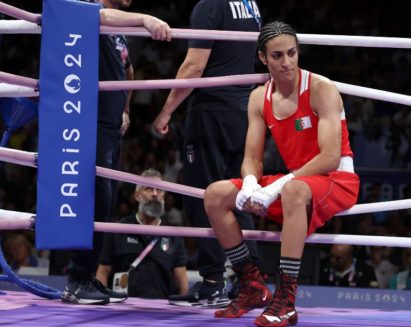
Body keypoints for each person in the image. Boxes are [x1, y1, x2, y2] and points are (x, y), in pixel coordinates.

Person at [203, 21, 360, 326]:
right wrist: (250, 182)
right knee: (215, 194)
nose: (286, 62)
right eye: (277, 56)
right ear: (263, 58)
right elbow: (251, 158)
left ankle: (286, 300)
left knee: (293, 190)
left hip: (336, 179)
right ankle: (252, 286)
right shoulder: (258, 97)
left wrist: (278, 187)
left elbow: (329, 157)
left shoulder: (321, 88)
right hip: (298, 182)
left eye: (291, 53)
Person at [60, 1, 172, 305]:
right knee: (89, 198)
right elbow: (100, 14)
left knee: (104, 202)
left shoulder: (117, 31)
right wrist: (146, 18)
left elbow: (127, 68)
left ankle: (88, 278)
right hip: (88, 121)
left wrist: (124, 109)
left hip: (110, 125)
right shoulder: (92, 10)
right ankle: (76, 279)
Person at [152, 0, 262, 307]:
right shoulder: (249, 4)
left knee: (204, 196)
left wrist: (165, 112)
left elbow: (194, 66)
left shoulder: (210, 5)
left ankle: (213, 281)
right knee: (237, 195)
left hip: (212, 111)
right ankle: (250, 282)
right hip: (244, 112)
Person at [96, 169, 189, 300]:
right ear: (137, 196)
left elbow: (182, 281)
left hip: (161, 309)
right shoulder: (118, 228)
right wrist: (103, 305)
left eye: (160, 190)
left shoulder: (173, 234)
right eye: (149, 189)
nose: (155, 194)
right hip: (122, 308)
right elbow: (103, 271)